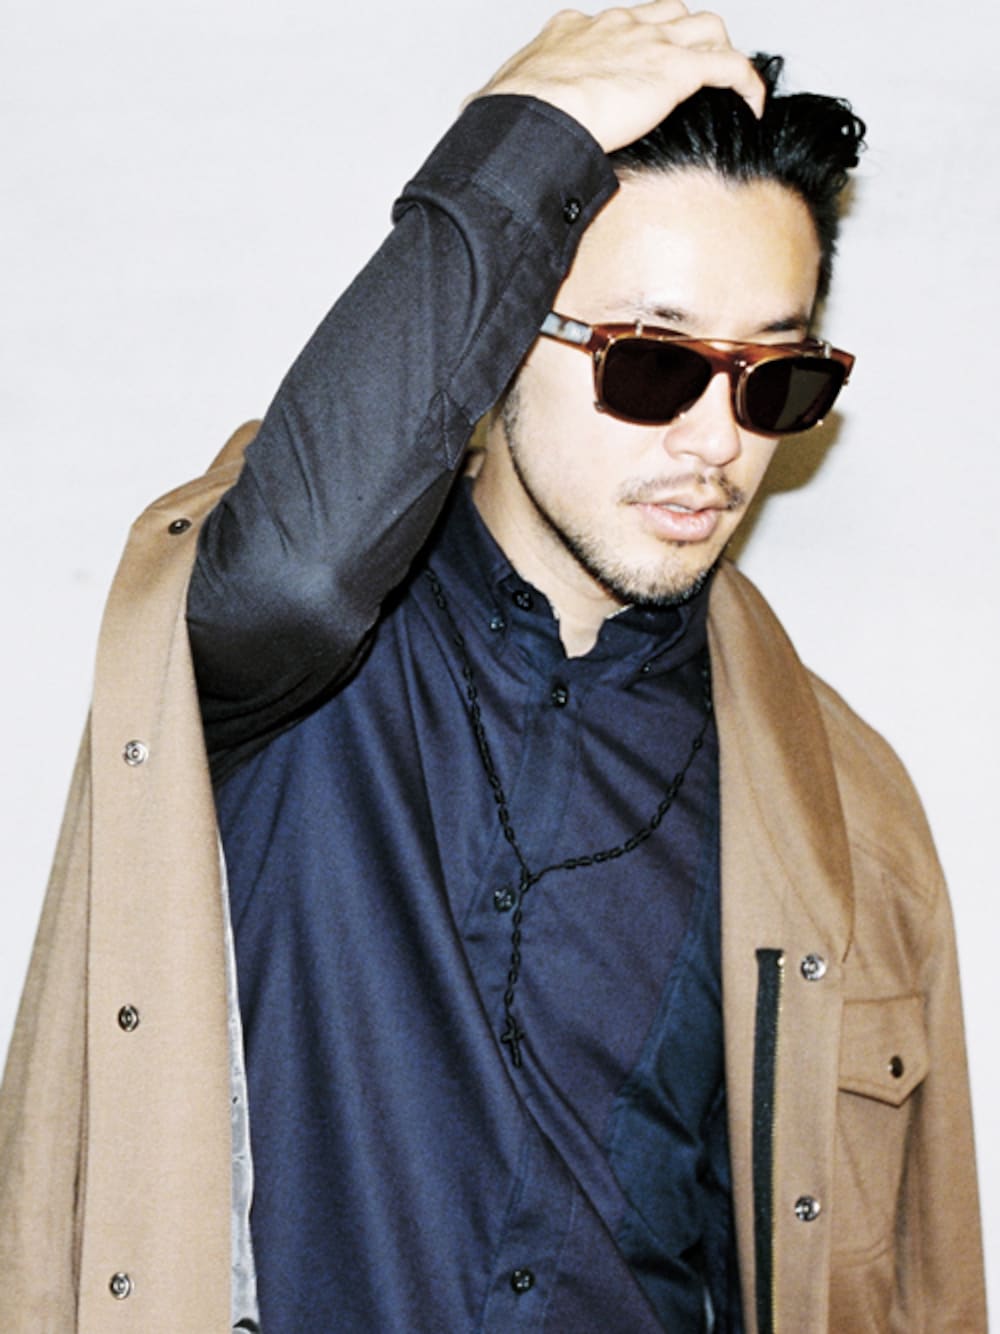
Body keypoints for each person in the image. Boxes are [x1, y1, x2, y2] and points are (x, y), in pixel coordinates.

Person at [0, 2, 986, 1330]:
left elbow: (914, 1283)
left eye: (772, 380)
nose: (717, 443)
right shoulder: (287, 658)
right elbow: (294, 567)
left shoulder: (847, 815)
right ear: (509, 333)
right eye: (654, 363)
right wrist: (524, 144)